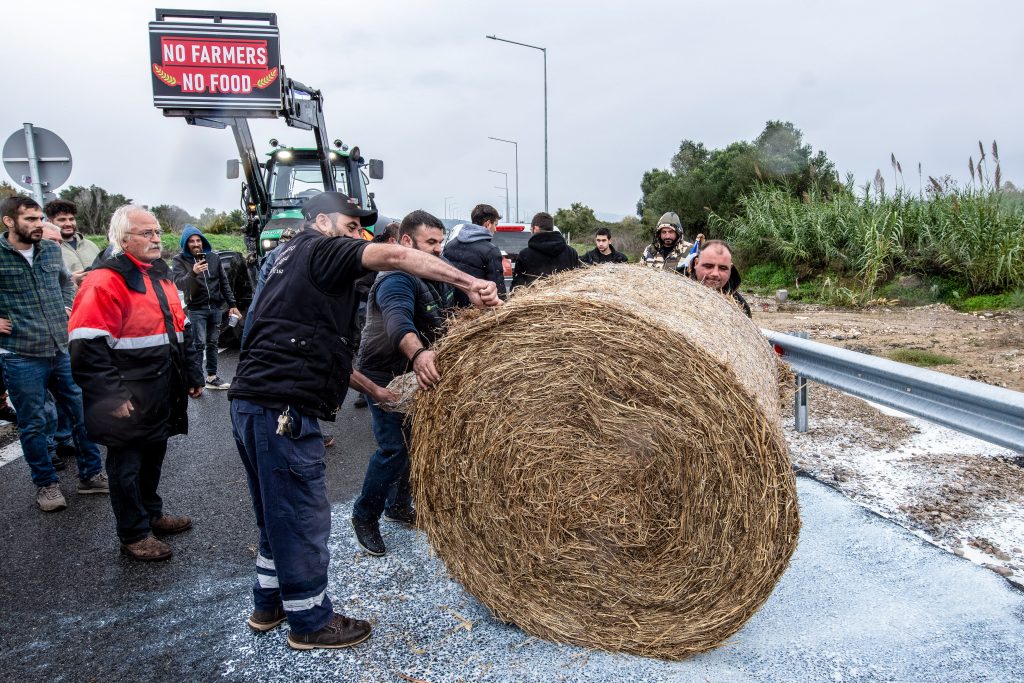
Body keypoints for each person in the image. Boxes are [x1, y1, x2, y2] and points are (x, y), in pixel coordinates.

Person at [228, 191, 500, 651]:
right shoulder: (320, 246)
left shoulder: (282, 258)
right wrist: (469, 281)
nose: (359, 235)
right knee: (302, 515)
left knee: (276, 514)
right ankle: (311, 622)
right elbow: (395, 256)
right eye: (352, 226)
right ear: (322, 221)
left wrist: (373, 390)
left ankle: (269, 603)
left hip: (254, 400)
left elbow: (291, 337)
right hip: (281, 407)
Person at [68, 205, 204, 561]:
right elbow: (86, 345)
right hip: (128, 393)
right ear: (122, 239)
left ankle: (152, 514)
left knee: (153, 456)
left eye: (157, 232)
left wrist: (192, 374)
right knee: (126, 465)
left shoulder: (161, 276)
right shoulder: (105, 280)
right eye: (147, 233)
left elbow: (182, 329)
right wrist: (111, 394)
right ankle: (133, 533)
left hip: (160, 389)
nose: (156, 238)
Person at [351, 211, 454, 556]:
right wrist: (420, 354)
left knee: (415, 442)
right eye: (431, 242)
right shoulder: (395, 278)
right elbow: (399, 324)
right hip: (385, 376)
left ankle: (398, 505)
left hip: (414, 374)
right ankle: (365, 515)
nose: (439, 249)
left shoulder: (431, 272)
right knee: (394, 449)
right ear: (406, 242)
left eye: (441, 241)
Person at [0, 196, 108, 512]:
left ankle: (91, 475)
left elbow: (64, 283)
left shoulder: (49, 250)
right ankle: (46, 485)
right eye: (30, 219)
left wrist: (67, 310)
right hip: (21, 353)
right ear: (9, 221)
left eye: (38, 218)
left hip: (61, 348)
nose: (38, 224)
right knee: (33, 422)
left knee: (82, 412)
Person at [171, 224, 241, 390]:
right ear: (185, 244)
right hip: (197, 309)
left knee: (213, 343)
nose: (196, 244)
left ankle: (211, 377)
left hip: (215, 307)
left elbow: (224, 283)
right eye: (191, 241)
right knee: (198, 345)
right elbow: (179, 284)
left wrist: (232, 305)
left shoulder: (214, 258)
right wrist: (193, 272)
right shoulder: (179, 260)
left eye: (198, 240)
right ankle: (196, 380)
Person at [441, 203, 507, 305]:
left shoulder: (450, 244)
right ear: (488, 224)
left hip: (449, 308)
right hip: (476, 311)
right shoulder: (490, 251)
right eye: (495, 224)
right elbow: (498, 288)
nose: (495, 229)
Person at [510, 211, 581, 290]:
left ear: (535, 229)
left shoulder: (525, 255)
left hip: (534, 301)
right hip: (566, 301)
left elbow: (517, 287)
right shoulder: (571, 253)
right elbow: (577, 282)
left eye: (531, 230)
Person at [689, 239, 752, 318]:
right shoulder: (673, 288)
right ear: (696, 263)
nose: (715, 273)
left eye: (723, 268)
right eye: (708, 266)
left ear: (730, 268)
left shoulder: (740, 307)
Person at [44, 200, 99, 286]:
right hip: (69, 298)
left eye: (71, 219)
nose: (68, 223)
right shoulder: (47, 249)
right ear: (49, 222)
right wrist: (69, 281)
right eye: (62, 220)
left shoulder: (91, 245)